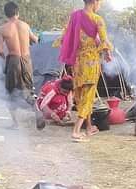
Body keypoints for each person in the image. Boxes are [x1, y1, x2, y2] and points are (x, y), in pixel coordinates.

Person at [57, 0, 113, 142]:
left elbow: (64, 37)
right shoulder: (97, 19)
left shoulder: (75, 16)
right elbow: (104, 39)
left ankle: (88, 126)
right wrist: (107, 53)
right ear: (94, 1)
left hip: (77, 62)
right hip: (91, 62)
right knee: (88, 96)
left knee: (81, 95)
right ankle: (76, 131)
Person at [0, 1, 40, 129]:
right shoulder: (25, 26)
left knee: (11, 92)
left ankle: (15, 123)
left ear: (6, 14)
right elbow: (36, 40)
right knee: (29, 90)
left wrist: (5, 58)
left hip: (14, 61)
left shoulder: (3, 28)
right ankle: (37, 112)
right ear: (17, 12)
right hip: (26, 61)